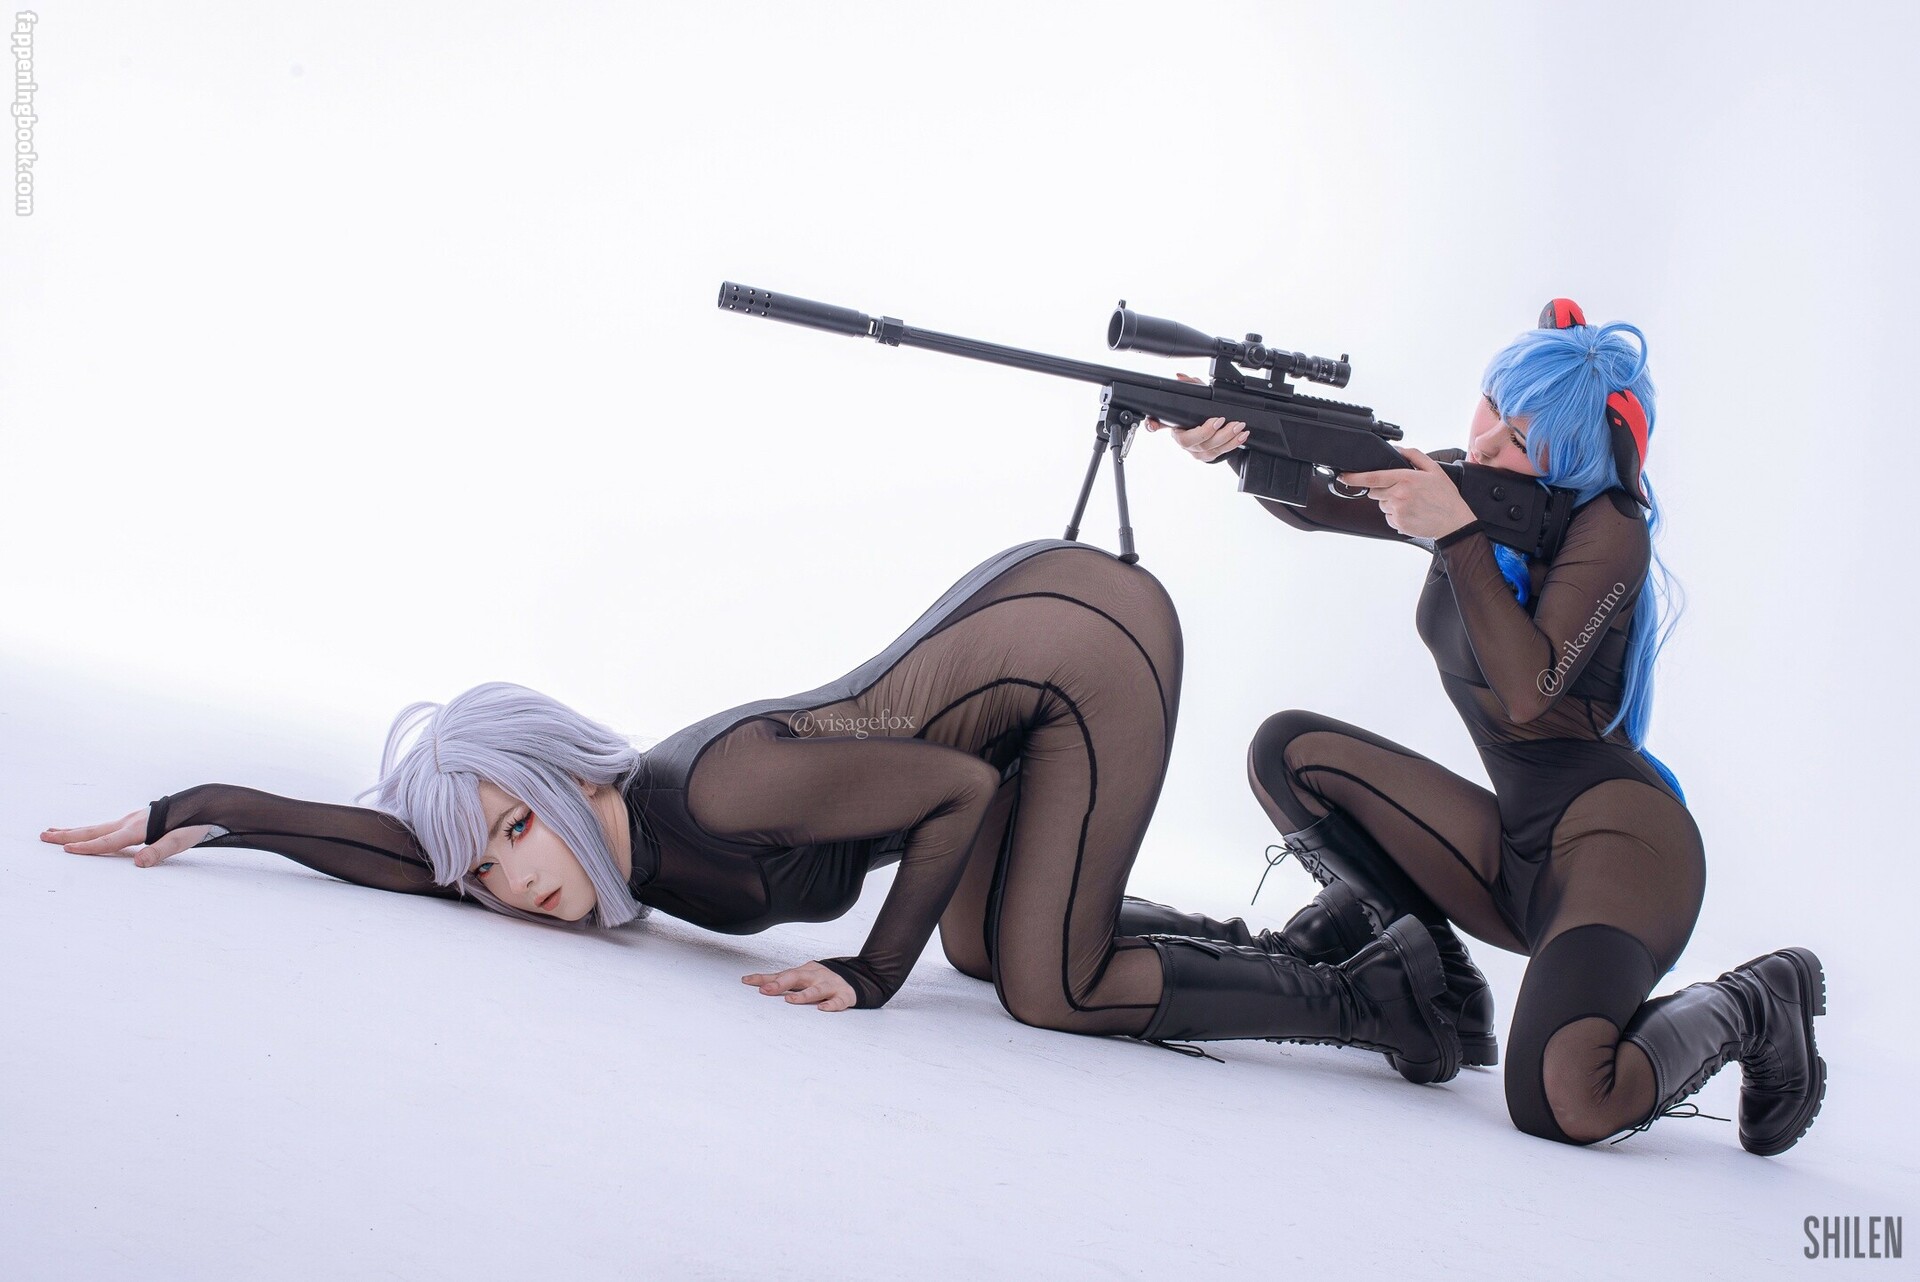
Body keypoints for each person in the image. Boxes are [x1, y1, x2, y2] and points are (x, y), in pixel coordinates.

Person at [40, 536, 1460, 1081]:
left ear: (569, 781)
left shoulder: (714, 789)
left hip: (1080, 647)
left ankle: (1379, 998)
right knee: (991, 943)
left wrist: (873, 972)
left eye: (516, 833)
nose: (512, 884)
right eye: (487, 874)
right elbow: (412, 856)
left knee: (1047, 984)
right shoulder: (601, 850)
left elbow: (960, 789)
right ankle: (1322, 939)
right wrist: (200, 807)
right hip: (1014, 690)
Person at [1139, 299, 1826, 1153]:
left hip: (1627, 854)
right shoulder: (1476, 487)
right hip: (1513, 853)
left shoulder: (1608, 529)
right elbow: (1318, 502)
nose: (1489, 444)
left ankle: (1754, 1001)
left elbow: (1530, 688)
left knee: (1561, 1100)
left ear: (1576, 460)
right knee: (1289, 753)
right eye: (1493, 409)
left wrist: (1457, 535)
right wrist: (1236, 442)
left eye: (1522, 439)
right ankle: (1436, 987)